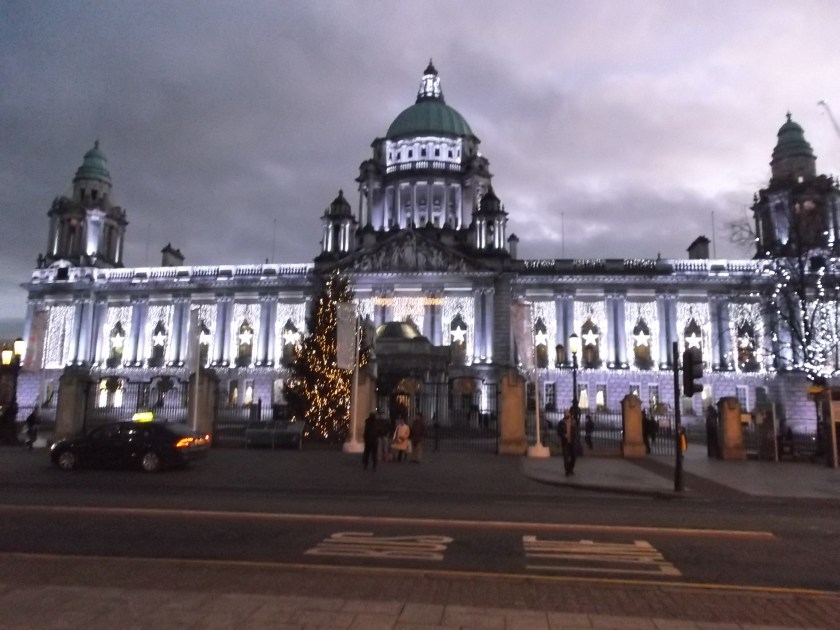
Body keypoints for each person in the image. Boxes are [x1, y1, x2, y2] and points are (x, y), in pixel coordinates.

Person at [558, 409, 577, 476]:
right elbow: (559, 432)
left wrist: (575, 438)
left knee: (573, 457)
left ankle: (570, 468)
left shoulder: (573, 422)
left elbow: (576, 431)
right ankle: (567, 471)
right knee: (566, 457)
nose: (566, 415)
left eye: (567, 413)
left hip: (572, 442)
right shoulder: (561, 422)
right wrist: (563, 435)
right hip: (565, 442)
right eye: (565, 413)